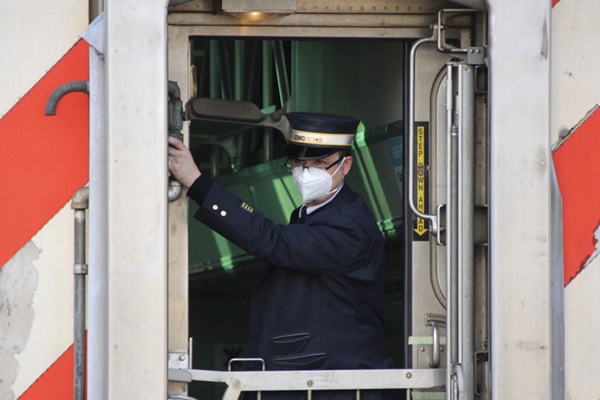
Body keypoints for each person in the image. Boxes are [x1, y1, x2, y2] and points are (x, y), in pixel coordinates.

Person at [168, 111, 394, 399]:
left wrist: (198, 183)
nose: (305, 172)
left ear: (346, 165)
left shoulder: (348, 226)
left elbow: (271, 241)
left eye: (318, 164)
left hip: (335, 389)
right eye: (299, 163)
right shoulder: (309, 214)